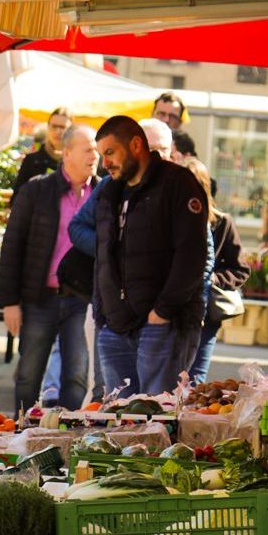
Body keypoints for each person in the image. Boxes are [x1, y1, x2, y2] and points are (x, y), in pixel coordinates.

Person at [92, 115, 210, 396]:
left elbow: (192, 255)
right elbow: (102, 254)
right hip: (115, 327)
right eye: (102, 155)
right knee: (119, 417)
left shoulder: (178, 183)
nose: (105, 163)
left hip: (163, 325)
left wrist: (163, 312)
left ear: (135, 145)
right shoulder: (109, 191)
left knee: (158, 414)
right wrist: (103, 313)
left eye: (110, 152)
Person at [0, 124, 99, 411]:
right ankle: (21, 429)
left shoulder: (103, 193)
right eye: (88, 149)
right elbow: (12, 246)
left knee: (77, 376)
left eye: (96, 150)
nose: (95, 156)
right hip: (40, 297)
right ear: (66, 153)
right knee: (29, 375)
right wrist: (10, 302)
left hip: (82, 300)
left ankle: (66, 431)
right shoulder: (37, 190)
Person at [185, 157, 249, 383]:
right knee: (173, 376)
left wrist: (214, 278)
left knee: (196, 377)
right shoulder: (169, 220)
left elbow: (241, 269)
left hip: (207, 313)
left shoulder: (222, 223)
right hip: (175, 309)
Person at [14, 108, 71, 190]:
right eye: (54, 126)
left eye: (62, 127)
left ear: (71, 130)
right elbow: (18, 194)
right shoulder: (31, 161)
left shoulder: (77, 161)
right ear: (48, 127)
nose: (58, 131)